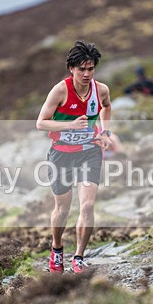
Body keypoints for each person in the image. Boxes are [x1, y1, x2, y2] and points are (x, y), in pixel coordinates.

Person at [36, 40, 112, 274]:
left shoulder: (101, 90)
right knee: (62, 209)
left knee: (87, 206)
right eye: (81, 69)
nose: (87, 74)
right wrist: (70, 125)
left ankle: (78, 257)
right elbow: (41, 123)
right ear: (71, 68)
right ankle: (57, 248)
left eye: (91, 69)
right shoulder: (60, 91)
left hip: (90, 151)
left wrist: (105, 132)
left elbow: (107, 106)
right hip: (61, 154)